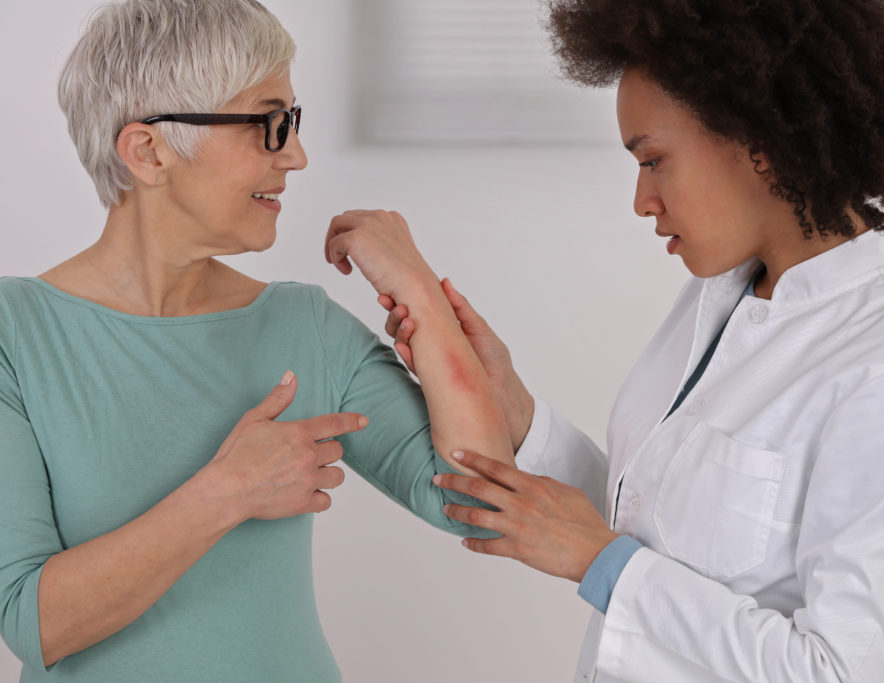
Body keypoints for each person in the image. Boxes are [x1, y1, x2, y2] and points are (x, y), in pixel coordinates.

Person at [369, 1, 884, 681]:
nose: (641, 199)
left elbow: (836, 669)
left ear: (761, 141)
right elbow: (664, 528)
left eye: (654, 159)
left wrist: (603, 563)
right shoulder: (723, 294)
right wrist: (515, 410)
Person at [0, 1, 510, 681]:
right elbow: (33, 622)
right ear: (149, 151)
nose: (296, 155)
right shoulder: (15, 331)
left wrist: (419, 291)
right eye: (269, 124)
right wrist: (225, 493)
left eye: (293, 123)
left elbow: (481, 503)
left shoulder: (305, 325)